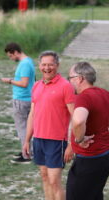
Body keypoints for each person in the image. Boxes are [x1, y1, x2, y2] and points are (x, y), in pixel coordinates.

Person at [66, 62, 109, 200]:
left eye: (70, 78)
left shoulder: (84, 97)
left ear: (80, 79)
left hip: (88, 160)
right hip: (105, 158)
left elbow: (78, 121)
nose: (69, 82)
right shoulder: (102, 93)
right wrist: (103, 126)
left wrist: (79, 139)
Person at [23, 51, 75, 200]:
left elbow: (75, 117)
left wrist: (72, 144)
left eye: (50, 64)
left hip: (57, 141)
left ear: (57, 65)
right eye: (44, 64)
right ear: (39, 66)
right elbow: (32, 114)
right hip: (38, 139)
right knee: (45, 177)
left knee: (54, 182)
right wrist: (27, 140)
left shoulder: (66, 86)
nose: (47, 68)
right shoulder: (36, 85)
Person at [1, 43, 35, 164]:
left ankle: (26, 154)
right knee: (28, 127)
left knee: (22, 128)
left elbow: (24, 83)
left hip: (22, 100)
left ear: (15, 52)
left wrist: (9, 81)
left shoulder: (24, 64)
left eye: (11, 56)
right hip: (27, 99)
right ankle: (28, 150)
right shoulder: (29, 61)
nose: (11, 58)